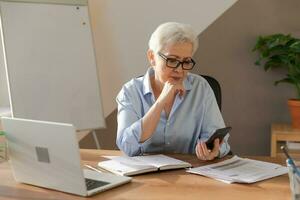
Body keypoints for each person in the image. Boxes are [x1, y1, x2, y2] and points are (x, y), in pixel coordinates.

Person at [116, 22, 230, 161]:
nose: (179, 70)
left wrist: (213, 150)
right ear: (152, 57)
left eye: (186, 62)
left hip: (190, 172)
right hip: (144, 176)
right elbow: (126, 145)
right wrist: (160, 102)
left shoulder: (201, 88)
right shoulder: (130, 91)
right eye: (172, 60)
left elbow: (221, 143)